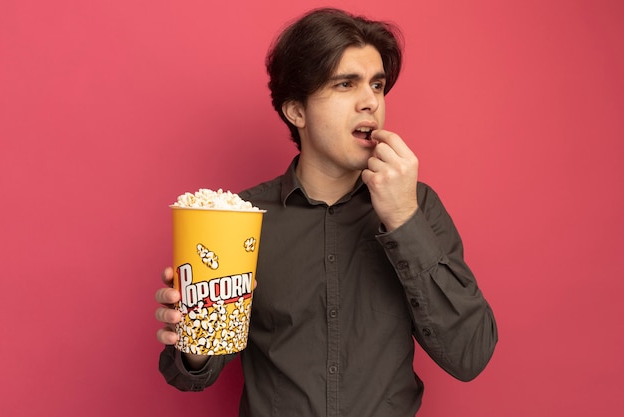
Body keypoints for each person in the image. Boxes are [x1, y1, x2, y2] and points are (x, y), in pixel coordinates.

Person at [155, 7, 497, 417]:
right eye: (345, 84)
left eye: (377, 85)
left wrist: (404, 219)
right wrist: (193, 343)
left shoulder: (419, 206)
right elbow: (192, 374)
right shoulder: (241, 218)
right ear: (296, 111)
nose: (370, 101)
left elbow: (470, 354)